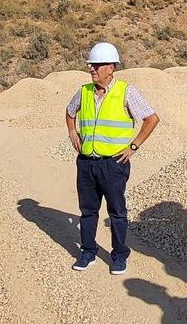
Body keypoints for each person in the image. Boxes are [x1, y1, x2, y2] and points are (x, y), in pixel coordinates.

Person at [64, 42, 160, 276]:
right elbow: (69, 112)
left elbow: (152, 119)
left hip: (114, 164)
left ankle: (118, 255)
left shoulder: (127, 92)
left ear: (111, 67)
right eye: (90, 65)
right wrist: (72, 132)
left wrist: (133, 146)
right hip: (86, 162)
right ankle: (88, 251)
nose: (92, 69)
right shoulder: (84, 91)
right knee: (88, 210)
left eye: (97, 65)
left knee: (117, 211)